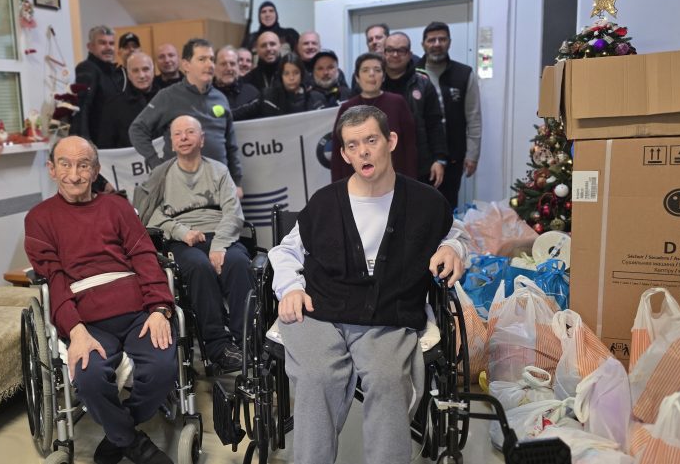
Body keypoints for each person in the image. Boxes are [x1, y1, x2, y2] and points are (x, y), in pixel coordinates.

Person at [268, 105, 467, 464]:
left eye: (371, 140)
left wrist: (453, 248)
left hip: (388, 312)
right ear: (344, 154)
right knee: (317, 376)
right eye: (353, 145)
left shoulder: (425, 201)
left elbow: (456, 233)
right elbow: (286, 250)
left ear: (391, 141)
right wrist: (290, 288)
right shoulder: (325, 202)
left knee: (388, 378)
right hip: (320, 310)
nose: (363, 152)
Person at [24, 136, 176, 464]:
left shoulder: (117, 208)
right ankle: (134, 444)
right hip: (86, 321)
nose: (74, 175)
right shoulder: (39, 218)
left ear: (95, 171)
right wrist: (75, 330)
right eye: (65, 164)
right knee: (89, 377)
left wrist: (160, 308)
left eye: (83, 165)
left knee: (163, 368)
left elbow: (144, 257)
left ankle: (119, 435)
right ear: (51, 169)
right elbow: (55, 279)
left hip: (138, 311)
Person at [134, 115, 249, 372]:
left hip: (219, 232)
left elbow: (233, 213)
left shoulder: (219, 170)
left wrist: (219, 246)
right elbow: (149, 214)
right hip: (182, 239)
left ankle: (246, 342)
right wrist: (182, 232)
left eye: (189, 132)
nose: (184, 138)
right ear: (172, 142)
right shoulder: (161, 175)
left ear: (202, 139)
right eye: (178, 134)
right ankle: (218, 347)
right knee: (198, 267)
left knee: (238, 262)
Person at [129, 38, 244, 192]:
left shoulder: (220, 98)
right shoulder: (168, 96)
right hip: (181, 187)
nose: (209, 64)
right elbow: (137, 129)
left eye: (211, 59)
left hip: (220, 185)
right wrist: (156, 164)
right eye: (202, 59)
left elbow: (231, 145)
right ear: (186, 65)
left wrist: (237, 182)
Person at [418, 21, 482, 208]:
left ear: (449, 42)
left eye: (442, 39)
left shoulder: (464, 74)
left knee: (447, 207)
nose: (437, 44)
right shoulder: (413, 73)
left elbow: (474, 117)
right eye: (431, 40)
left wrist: (472, 155)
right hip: (420, 156)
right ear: (423, 44)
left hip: (453, 156)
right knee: (419, 208)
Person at [331, 53, 417, 182]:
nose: (371, 74)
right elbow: (337, 153)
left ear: (383, 76)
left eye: (377, 70)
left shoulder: (397, 102)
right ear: (357, 77)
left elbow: (409, 146)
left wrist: (411, 182)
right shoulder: (347, 108)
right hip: (358, 182)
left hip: (394, 179)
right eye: (365, 70)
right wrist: (338, 187)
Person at [383, 32, 448, 188]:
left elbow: (435, 124)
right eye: (390, 50)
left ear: (409, 54)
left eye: (401, 50)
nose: (395, 55)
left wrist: (439, 159)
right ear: (384, 53)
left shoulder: (423, 84)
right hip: (382, 164)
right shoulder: (374, 83)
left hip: (419, 163)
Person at [71, 26, 126, 141]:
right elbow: (82, 106)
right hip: (97, 143)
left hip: (115, 142)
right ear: (90, 47)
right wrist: (84, 141)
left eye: (111, 43)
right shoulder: (87, 68)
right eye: (102, 43)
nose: (108, 47)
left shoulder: (113, 72)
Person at [98, 52, 159, 149]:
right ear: (128, 75)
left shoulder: (167, 99)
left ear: (153, 71)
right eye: (135, 71)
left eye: (145, 69)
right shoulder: (113, 106)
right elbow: (105, 144)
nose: (141, 75)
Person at [258, 53, 326, 117]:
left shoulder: (317, 99)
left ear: (302, 74)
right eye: (286, 73)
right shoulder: (268, 98)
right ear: (281, 76)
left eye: (296, 73)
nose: (291, 78)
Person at [214, 46, 261, 121]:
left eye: (232, 64)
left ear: (238, 67)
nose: (228, 68)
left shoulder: (252, 93)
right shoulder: (205, 95)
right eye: (223, 64)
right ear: (214, 68)